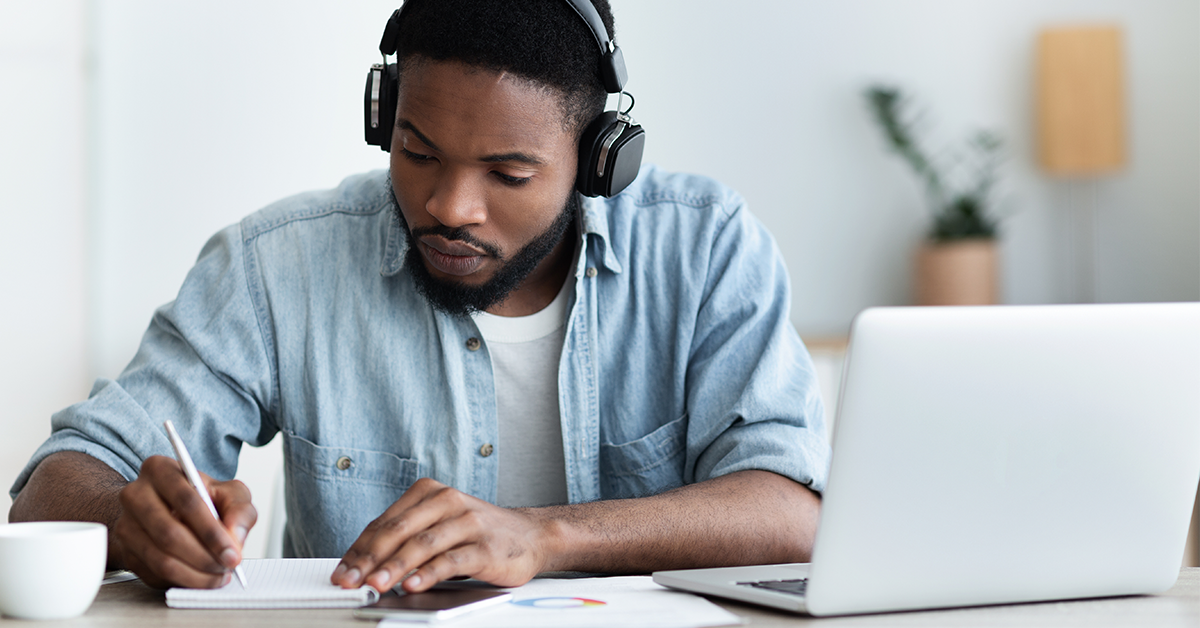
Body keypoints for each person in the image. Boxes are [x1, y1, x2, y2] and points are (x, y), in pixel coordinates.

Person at [9, 0, 829, 594]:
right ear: (384, 117)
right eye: (418, 151)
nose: (449, 207)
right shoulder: (278, 264)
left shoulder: (707, 248)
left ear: (599, 162)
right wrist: (132, 517)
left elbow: (791, 512)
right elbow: (52, 488)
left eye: (508, 173)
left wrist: (544, 536)